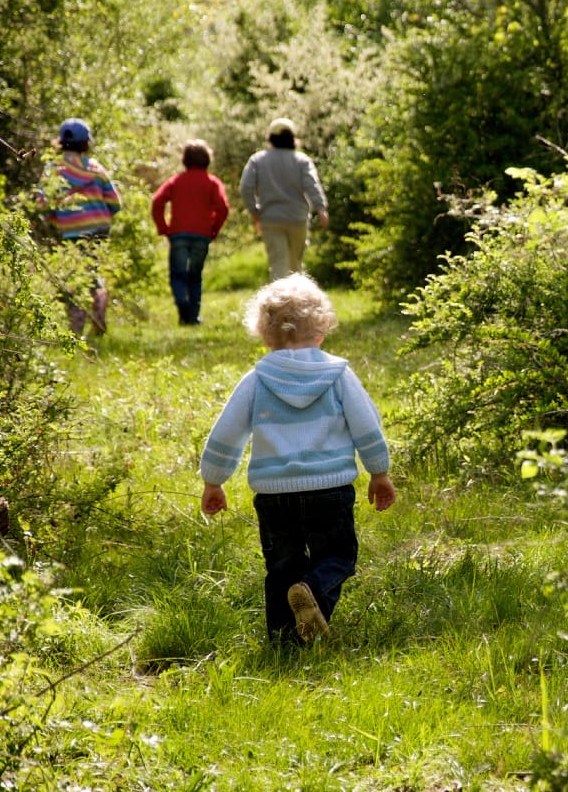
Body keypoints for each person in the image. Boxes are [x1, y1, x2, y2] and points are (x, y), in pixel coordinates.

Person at [198, 273, 396, 645]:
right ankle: (313, 591)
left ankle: (283, 643)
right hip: (330, 489)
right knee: (337, 556)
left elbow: (227, 433)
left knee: (281, 568)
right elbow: (366, 424)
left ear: (264, 336)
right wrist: (378, 472)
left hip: (274, 497)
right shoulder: (339, 375)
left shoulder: (256, 380)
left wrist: (214, 480)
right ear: (321, 332)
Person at [34, 117, 121, 336]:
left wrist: (52, 217)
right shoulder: (96, 168)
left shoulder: (54, 169)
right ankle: (99, 306)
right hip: (100, 229)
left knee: (72, 275)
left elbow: (42, 203)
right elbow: (114, 202)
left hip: (73, 230)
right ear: (87, 143)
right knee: (92, 271)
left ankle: (76, 326)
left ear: (61, 142)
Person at [151, 139, 230, 325]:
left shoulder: (176, 181)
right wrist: (214, 229)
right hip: (202, 234)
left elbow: (157, 201)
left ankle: (183, 306)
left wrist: (163, 227)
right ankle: (193, 317)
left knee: (178, 274)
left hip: (178, 233)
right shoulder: (212, 183)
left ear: (185, 160)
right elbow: (223, 208)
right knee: (195, 275)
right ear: (207, 159)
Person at [239, 118, 329, 281]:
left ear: (270, 137)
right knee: (295, 266)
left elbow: (245, 188)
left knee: (278, 265)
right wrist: (321, 209)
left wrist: (255, 212)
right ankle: (296, 304)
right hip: (297, 218)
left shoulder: (258, 160)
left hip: (270, 218)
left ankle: (279, 304)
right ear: (292, 138)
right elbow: (312, 185)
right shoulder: (302, 160)